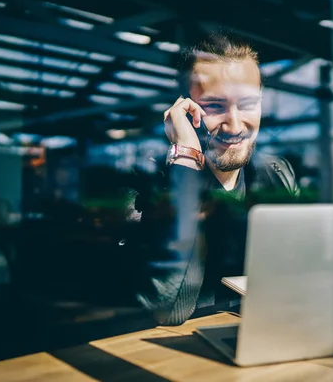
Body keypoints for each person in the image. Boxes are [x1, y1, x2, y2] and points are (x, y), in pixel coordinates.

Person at [121, 33, 299, 325]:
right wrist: (187, 159)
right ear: (183, 110)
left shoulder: (276, 175)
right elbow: (166, 310)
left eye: (248, 104)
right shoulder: (145, 188)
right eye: (215, 106)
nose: (235, 124)